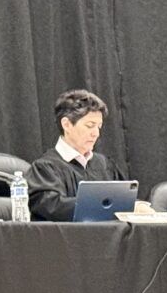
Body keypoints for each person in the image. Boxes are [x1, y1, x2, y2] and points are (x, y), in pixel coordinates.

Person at [27, 89, 126, 221]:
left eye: (99, 127)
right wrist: (109, 207)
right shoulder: (45, 169)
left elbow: (125, 199)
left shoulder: (104, 165)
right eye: (90, 125)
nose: (96, 133)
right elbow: (54, 208)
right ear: (67, 124)